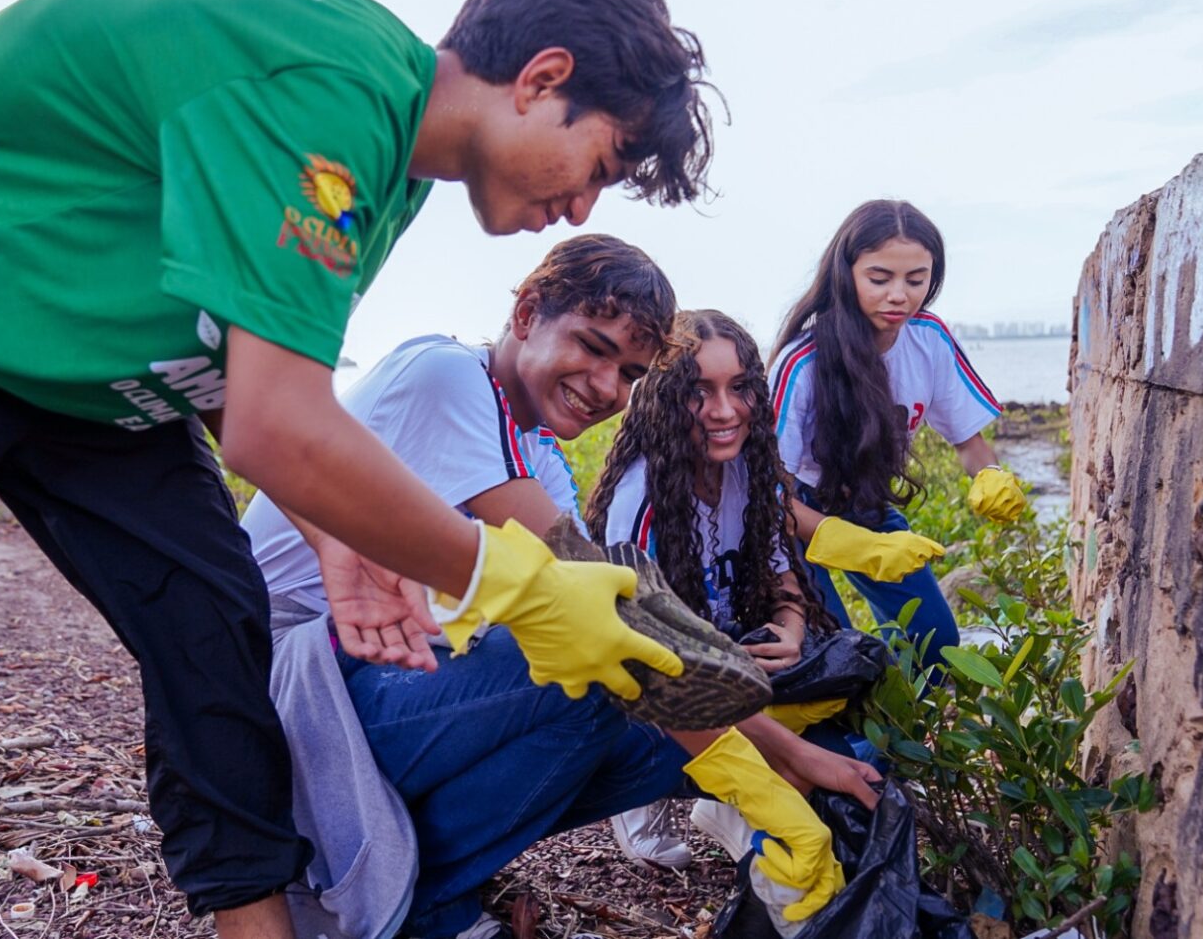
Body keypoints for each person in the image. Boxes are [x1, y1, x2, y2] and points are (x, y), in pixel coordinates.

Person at [0, 0, 717, 938]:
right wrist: (519, 587)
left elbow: (236, 371)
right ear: (542, 79)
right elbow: (278, 420)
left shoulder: (389, 168)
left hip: (77, 376)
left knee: (214, 632)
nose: (578, 211)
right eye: (600, 167)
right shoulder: (333, 88)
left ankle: (257, 921)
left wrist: (332, 540)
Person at [243, 244, 872, 938]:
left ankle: (429, 891)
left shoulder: (539, 457)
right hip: (284, 687)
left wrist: (788, 755)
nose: (606, 386)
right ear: (526, 313)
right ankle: (427, 911)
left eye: (629, 372)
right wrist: (768, 784)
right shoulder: (445, 377)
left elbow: (624, 633)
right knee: (586, 675)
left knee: (654, 748)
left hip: (384, 665)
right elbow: (611, 625)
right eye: (592, 348)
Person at [585, 309, 860, 871]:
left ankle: (722, 795)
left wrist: (789, 628)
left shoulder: (748, 472)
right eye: (698, 392)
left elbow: (784, 572)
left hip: (732, 663)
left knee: (851, 682)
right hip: (658, 686)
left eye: (739, 388)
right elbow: (645, 660)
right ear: (662, 398)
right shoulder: (641, 500)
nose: (724, 410)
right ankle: (658, 797)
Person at [767, 198, 1027, 662]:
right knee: (826, 653)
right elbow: (765, 491)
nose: (899, 296)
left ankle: (894, 732)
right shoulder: (801, 362)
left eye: (916, 279)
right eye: (879, 278)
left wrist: (990, 476)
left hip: (866, 499)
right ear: (846, 273)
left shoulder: (930, 340)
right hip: (791, 513)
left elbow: (968, 441)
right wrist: (849, 543)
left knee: (934, 644)